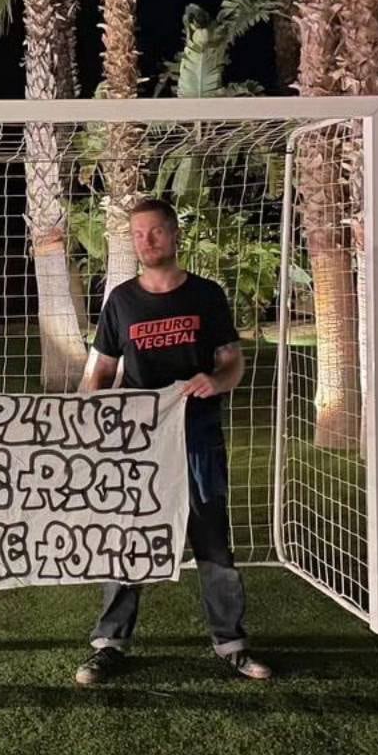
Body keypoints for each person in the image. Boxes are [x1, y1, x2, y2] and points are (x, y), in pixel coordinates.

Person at [74, 197, 272, 686]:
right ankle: (110, 645)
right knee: (128, 539)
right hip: (136, 448)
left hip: (197, 440)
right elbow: (98, 371)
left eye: (156, 231)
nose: (147, 241)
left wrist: (215, 379)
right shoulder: (121, 301)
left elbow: (231, 361)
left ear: (174, 234)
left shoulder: (206, 296)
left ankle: (231, 643)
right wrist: (92, 413)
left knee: (212, 540)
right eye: (139, 234)